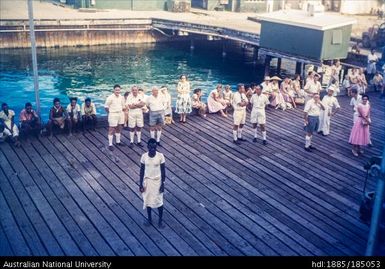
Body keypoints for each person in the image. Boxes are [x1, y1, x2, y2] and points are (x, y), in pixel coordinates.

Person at [139, 138, 166, 228]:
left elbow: (163, 171)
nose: (152, 150)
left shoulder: (160, 156)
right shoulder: (144, 157)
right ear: (148, 147)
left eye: (154, 148)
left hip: (157, 182)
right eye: (151, 148)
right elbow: (142, 170)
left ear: (156, 147)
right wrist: (140, 184)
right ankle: (149, 219)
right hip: (148, 182)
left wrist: (163, 184)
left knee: (159, 202)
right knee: (148, 201)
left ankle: (160, 220)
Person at [104, 84, 126, 151]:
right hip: (113, 114)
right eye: (116, 90)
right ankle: (110, 144)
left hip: (120, 113)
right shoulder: (110, 97)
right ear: (114, 90)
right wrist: (110, 113)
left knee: (118, 128)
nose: (117, 91)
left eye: (118, 90)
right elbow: (106, 107)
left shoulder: (121, 97)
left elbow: (123, 106)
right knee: (111, 129)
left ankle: (118, 142)